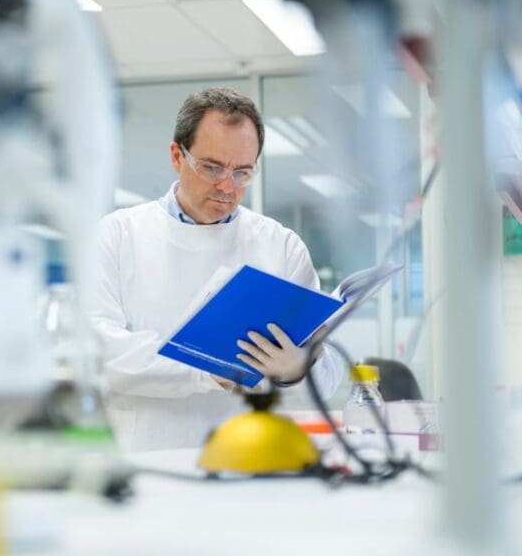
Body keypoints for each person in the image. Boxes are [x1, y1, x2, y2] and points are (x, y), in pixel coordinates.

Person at [90, 87, 343, 452]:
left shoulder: (281, 246)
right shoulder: (117, 234)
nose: (227, 186)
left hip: (251, 459)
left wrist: (296, 371)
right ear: (177, 156)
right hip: (147, 458)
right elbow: (100, 352)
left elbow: (327, 375)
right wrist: (206, 370)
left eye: (243, 172)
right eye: (212, 167)